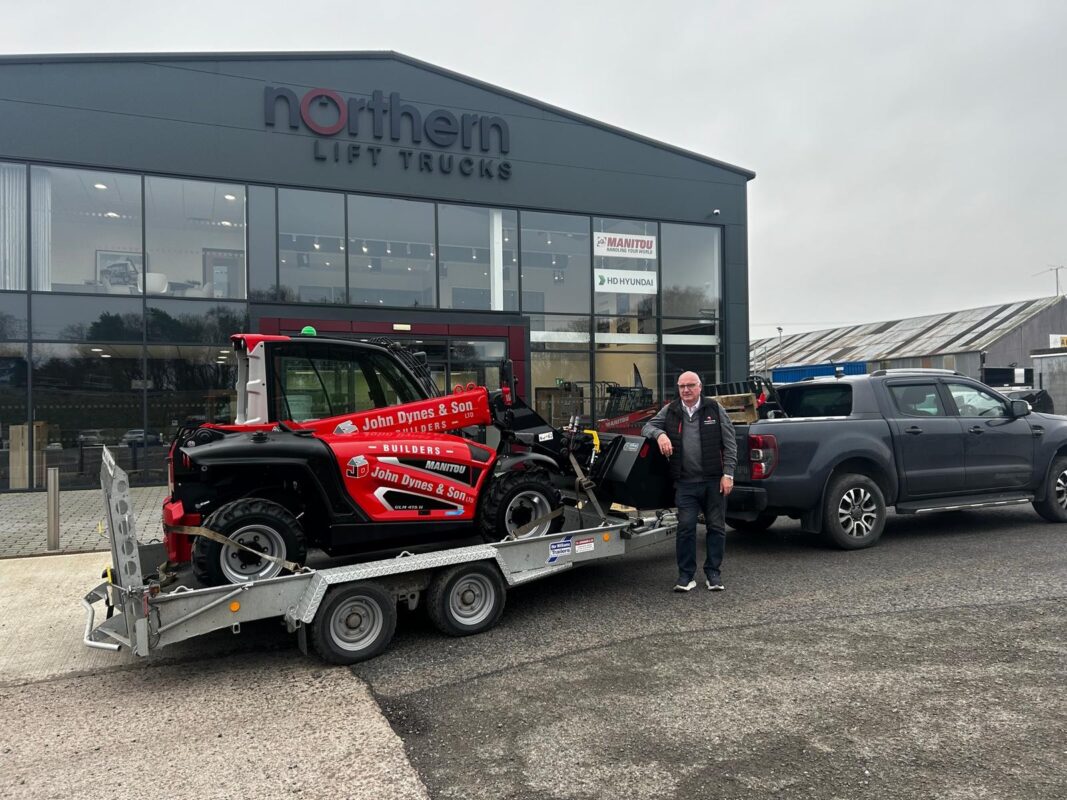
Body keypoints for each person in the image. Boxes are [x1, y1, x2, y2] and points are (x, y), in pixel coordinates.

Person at [642, 371, 737, 592]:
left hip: (713, 481)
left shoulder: (714, 409)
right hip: (685, 482)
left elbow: (730, 443)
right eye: (682, 386)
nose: (686, 390)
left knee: (716, 527)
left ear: (700, 387)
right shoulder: (671, 410)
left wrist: (728, 474)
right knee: (685, 528)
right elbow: (647, 427)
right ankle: (686, 575)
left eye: (690, 385)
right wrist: (660, 435)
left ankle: (713, 573)